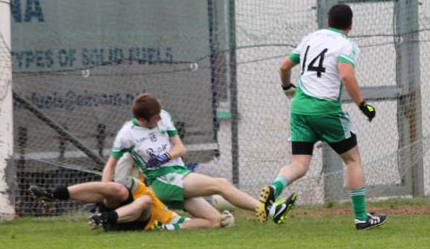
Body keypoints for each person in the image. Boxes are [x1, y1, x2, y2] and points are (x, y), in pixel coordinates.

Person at [256, 3, 387, 230]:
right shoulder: (347, 45)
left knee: (299, 163)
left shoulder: (311, 37)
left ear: (327, 22)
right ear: (351, 25)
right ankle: (361, 217)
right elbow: (346, 75)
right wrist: (363, 105)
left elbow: (285, 65)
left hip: (299, 108)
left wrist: (287, 86)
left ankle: (275, 188)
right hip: (325, 110)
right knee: (352, 159)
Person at [102, 93, 296, 228]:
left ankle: (164, 228)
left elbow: (180, 149)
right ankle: (270, 211)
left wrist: (162, 157)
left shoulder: (163, 117)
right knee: (220, 184)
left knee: (214, 221)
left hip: (178, 173)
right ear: (143, 120)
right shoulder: (127, 134)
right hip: (164, 181)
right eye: (155, 117)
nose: (160, 117)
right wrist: (104, 195)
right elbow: (111, 165)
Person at [29, 178, 190, 231]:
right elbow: (115, 181)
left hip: (138, 223)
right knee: (117, 188)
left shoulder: (172, 211)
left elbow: (203, 222)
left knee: (146, 201)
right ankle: (54, 194)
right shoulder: (142, 185)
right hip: (116, 213)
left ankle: (105, 218)